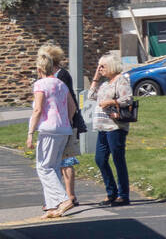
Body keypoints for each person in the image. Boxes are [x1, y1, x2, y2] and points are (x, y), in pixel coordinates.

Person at [26, 48, 78, 218]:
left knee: (43, 167)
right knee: (53, 166)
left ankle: (64, 199)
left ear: (39, 69)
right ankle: (51, 207)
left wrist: (30, 133)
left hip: (48, 129)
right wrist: (67, 121)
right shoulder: (60, 84)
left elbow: (38, 109)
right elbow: (73, 107)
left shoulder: (40, 84)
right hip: (63, 129)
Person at [40, 43, 83, 209]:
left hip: (64, 123)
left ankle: (69, 196)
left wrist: (69, 121)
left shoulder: (61, 75)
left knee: (66, 159)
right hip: (57, 124)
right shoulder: (48, 77)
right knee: (54, 162)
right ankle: (56, 197)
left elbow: (67, 101)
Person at [89, 53, 134, 205]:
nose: (100, 69)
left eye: (103, 66)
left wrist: (110, 101)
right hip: (102, 127)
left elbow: (127, 99)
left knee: (117, 159)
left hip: (115, 126)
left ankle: (123, 195)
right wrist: (96, 77)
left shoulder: (120, 80)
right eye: (99, 66)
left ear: (112, 66)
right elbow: (91, 95)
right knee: (100, 159)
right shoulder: (105, 83)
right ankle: (111, 192)